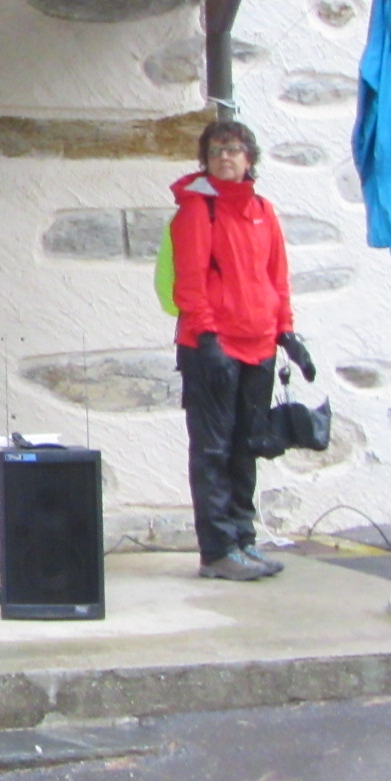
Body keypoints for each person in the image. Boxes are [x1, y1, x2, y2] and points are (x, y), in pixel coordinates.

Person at [168, 119, 314, 581]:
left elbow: (277, 278)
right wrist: (207, 338)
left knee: (246, 447)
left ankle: (243, 539)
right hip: (212, 346)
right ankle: (217, 550)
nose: (223, 158)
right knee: (213, 450)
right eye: (214, 152)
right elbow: (189, 283)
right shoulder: (198, 210)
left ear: (249, 157)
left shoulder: (263, 210)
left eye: (231, 149)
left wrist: (286, 332)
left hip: (259, 344)